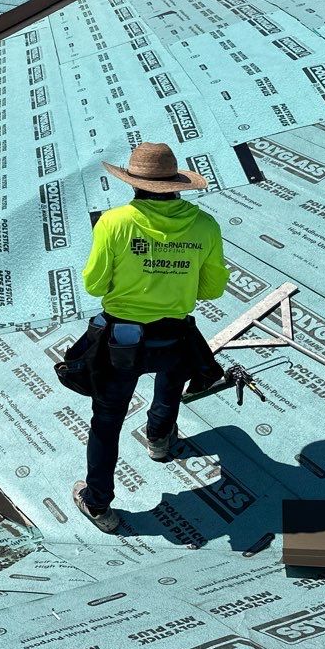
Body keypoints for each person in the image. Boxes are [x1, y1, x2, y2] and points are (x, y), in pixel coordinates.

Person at [73, 141, 229, 532]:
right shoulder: (205, 225)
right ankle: (159, 441)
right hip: (174, 335)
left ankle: (99, 505)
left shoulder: (114, 222)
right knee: (170, 385)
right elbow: (211, 289)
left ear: (133, 182)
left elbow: (94, 284)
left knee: (107, 421)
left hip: (120, 340)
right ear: (176, 184)